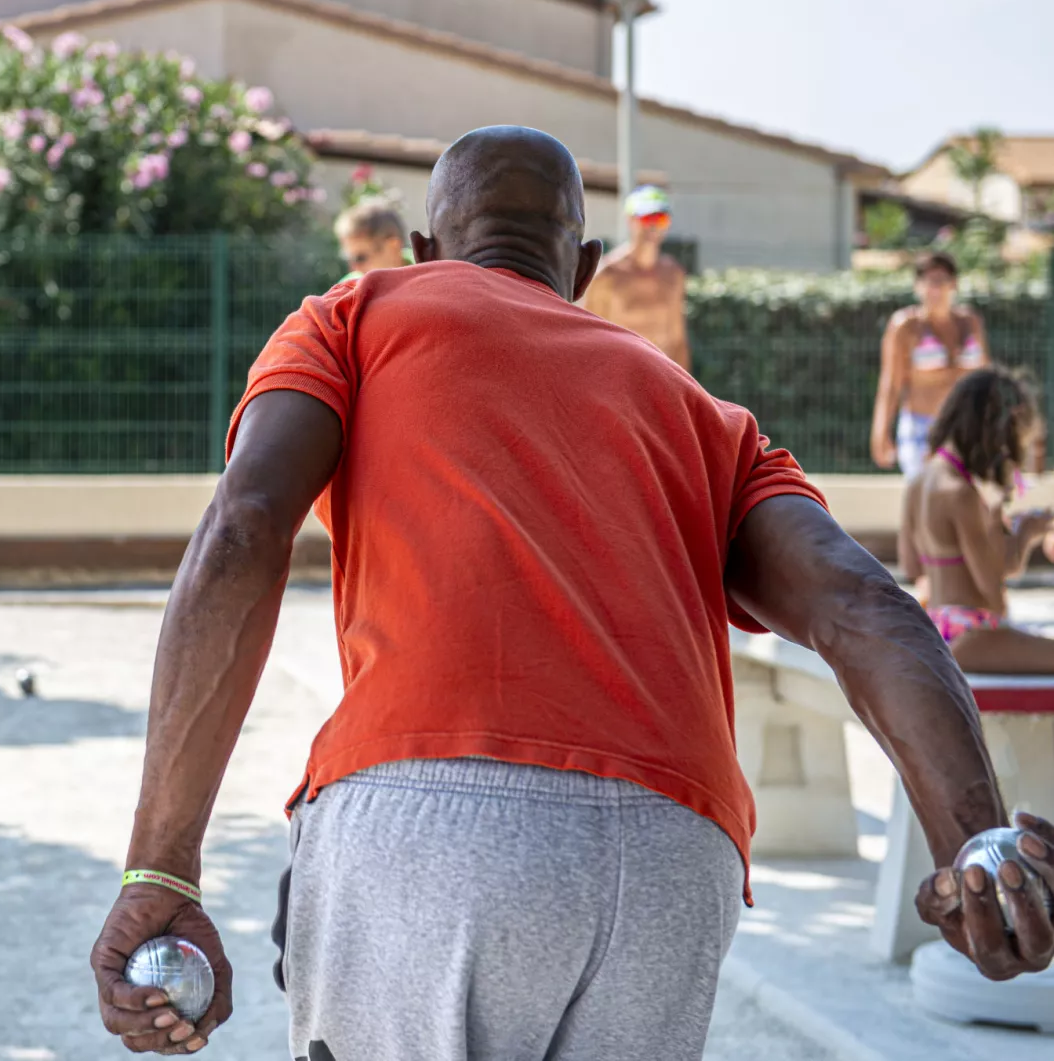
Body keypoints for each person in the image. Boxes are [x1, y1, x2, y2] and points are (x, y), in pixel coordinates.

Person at [92, 126, 1053, 1060]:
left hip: (433, 815)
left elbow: (244, 526)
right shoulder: (702, 413)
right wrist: (978, 849)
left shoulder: (355, 314)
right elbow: (866, 607)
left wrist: (160, 865)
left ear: (428, 251)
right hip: (676, 853)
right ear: (586, 266)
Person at [900, 365, 1054, 673]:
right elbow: (993, 594)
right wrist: (1021, 534)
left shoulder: (920, 481)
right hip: (972, 634)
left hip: (937, 628)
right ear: (996, 430)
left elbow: (911, 566)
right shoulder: (962, 494)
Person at [871, 250, 989, 478]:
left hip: (965, 427)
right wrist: (880, 432)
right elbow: (891, 384)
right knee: (927, 499)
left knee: (967, 503)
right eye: (928, 281)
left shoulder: (971, 322)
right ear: (918, 286)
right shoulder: (905, 326)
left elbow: (986, 377)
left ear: (953, 284)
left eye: (941, 281)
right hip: (921, 429)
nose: (935, 289)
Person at [580, 183, 691, 369]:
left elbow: (678, 340)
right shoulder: (607, 275)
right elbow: (589, 338)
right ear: (631, 220)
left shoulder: (673, 274)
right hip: (621, 381)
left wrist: (687, 392)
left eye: (661, 218)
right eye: (647, 217)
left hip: (663, 379)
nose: (654, 225)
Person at [332, 197, 411, 282]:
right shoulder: (349, 288)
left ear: (393, 247)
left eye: (360, 258)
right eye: (349, 259)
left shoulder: (425, 268)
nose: (354, 268)